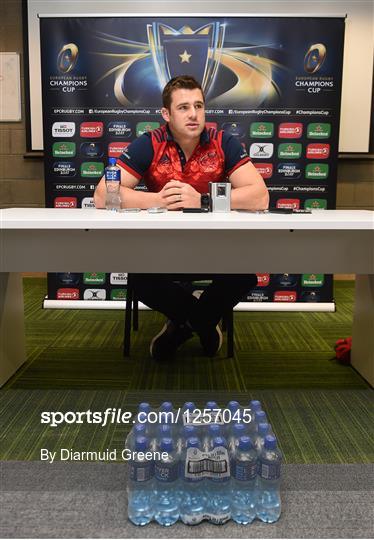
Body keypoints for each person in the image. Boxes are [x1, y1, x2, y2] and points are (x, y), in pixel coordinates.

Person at [94, 75, 269, 360]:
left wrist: (202, 200)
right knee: (141, 281)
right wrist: (158, 200)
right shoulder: (150, 142)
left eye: (199, 106)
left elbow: (260, 196)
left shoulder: (223, 142)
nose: (193, 114)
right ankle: (203, 320)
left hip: (215, 247)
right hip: (164, 248)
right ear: (166, 114)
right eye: (184, 107)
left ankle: (184, 324)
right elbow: (103, 195)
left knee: (243, 277)